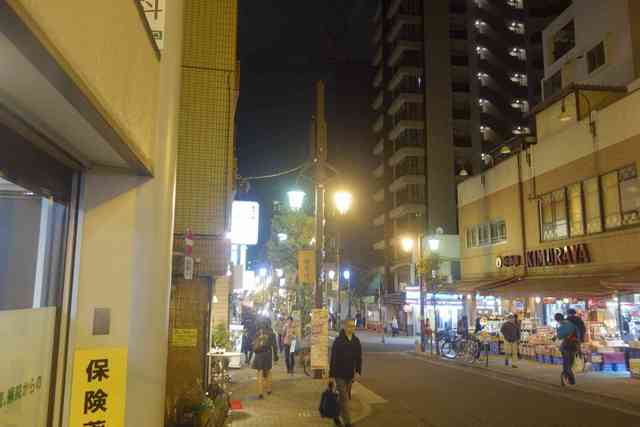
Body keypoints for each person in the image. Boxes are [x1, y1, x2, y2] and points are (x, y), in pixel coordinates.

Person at [329, 319, 362, 427]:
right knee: (344, 398)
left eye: (353, 326)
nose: (351, 328)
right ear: (345, 327)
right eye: (349, 326)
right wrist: (331, 375)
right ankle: (347, 423)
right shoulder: (338, 341)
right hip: (339, 374)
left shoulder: (356, 341)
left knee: (343, 397)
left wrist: (357, 371)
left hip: (349, 374)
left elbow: (358, 357)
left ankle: (335, 414)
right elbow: (333, 359)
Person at [252, 320, 279, 398]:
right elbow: (275, 346)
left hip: (259, 354)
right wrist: (276, 356)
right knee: (268, 371)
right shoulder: (272, 334)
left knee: (259, 372)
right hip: (268, 354)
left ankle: (260, 393)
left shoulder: (257, 333)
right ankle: (269, 390)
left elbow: (253, 344)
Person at [555, 313, 578, 386]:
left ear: (558, 320)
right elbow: (578, 335)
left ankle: (570, 379)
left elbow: (560, 336)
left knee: (566, 365)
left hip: (567, 347)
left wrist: (558, 333)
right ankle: (566, 379)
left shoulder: (563, 326)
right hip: (574, 346)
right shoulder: (572, 324)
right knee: (570, 364)